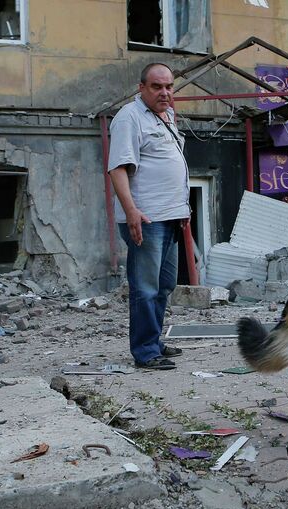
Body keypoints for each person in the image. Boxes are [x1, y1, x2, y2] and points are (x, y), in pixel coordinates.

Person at [107, 63, 189, 370]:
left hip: (171, 217)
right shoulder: (129, 118)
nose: (165, 92)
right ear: (142, 88)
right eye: (157, 87)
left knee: (165, 284)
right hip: (146, 219)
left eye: (169, 86)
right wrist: (131, 212)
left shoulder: (167, 116)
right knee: (145, 287)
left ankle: (153, 340)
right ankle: (144, 351)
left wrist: (183, 210)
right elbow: (117, 168)